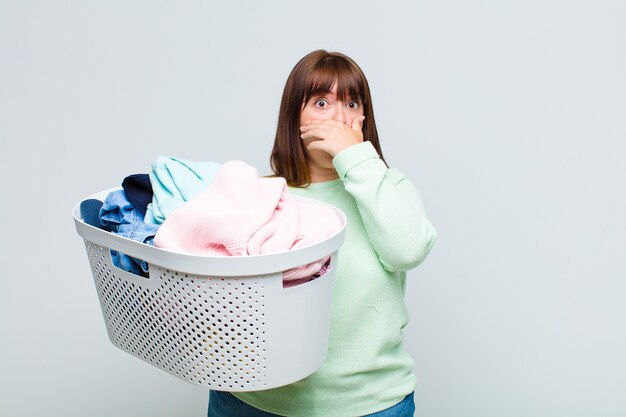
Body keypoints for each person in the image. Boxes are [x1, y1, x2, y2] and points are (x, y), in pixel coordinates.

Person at [207, 49, 437, 417]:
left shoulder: (388, 187)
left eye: (350, 103)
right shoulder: (262, 195)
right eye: (320, 102)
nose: (337, 117)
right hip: (251, 401)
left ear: (363, 118)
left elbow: (407, 250)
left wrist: (356, 158)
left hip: (369, 405)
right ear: (294, 118)